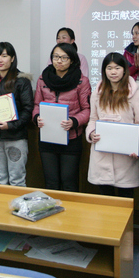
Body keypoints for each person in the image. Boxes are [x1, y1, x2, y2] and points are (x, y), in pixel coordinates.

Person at [33, 42, 91, 192]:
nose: (59, 61)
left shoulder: (81, 81)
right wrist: (36, 117)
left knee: (69, 183)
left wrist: (74, 121)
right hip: (47, 137)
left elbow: (87, 109)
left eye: (64, 58)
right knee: (51, 183)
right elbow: (37, 104)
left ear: (72, 60)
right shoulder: (43, 78)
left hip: (71, 138)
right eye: (56, 57)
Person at [87, 52, 139, 198]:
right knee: (106, 199)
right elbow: (93, 119)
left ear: (124, 70)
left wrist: (137, 145)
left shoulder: (135, 93)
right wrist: (91, 133)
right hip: (102, 155)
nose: (113, 72)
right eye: (109, 68)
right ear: (104, 71)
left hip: (125, 156)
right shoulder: (98, 93)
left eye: (117, 68)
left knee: (125, 198)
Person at [0, 42, 34, 186]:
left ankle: (17, 203)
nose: (0, 60)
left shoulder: (22, 81)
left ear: (12, 58)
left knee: (17, 179)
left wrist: (10, 126)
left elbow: (28, 110)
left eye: (4, 56)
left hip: (15, 137)